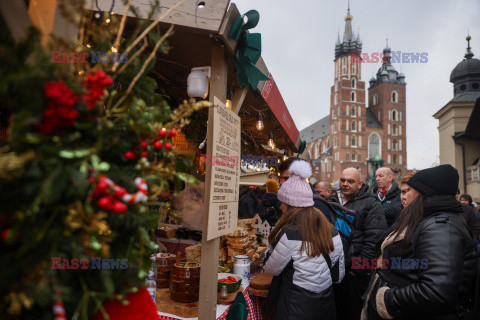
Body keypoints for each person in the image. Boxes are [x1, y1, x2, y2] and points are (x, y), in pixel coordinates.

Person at [361, 164, 477, 320]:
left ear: (425, 194)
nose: (405, 196)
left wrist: (387, 299)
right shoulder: (428, 219)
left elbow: (436, 291)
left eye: (410, 190)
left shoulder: (440, 227)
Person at [263, 160, 345, 320]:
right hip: (325, 304)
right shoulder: (333, 231)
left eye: (282, 203)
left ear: (290, 205)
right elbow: (338, 275)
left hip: (296, 306)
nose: (280, 207)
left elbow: (270, 268)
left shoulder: (289, 234)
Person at [329, 168, 387, 320]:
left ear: (360, 184)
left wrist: (357, 269)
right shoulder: (332, 201)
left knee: (352, 313)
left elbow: (374, 240)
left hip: (353, 273)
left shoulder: (372, 204)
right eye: (342, 180)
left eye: (350, 181)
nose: (345, 184)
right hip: (332, 269)